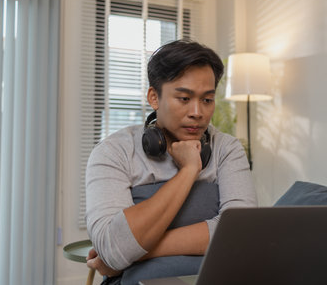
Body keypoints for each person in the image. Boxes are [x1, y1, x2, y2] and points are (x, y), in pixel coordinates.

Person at [85, 40, 257, 284]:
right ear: (154, 97)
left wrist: (137, 252)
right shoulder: (113, 152)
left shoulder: (227, 148)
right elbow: (112, 248)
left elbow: (241, 233)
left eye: (207, 100)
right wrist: (189, 170)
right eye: (184, 98)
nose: (197, 112)